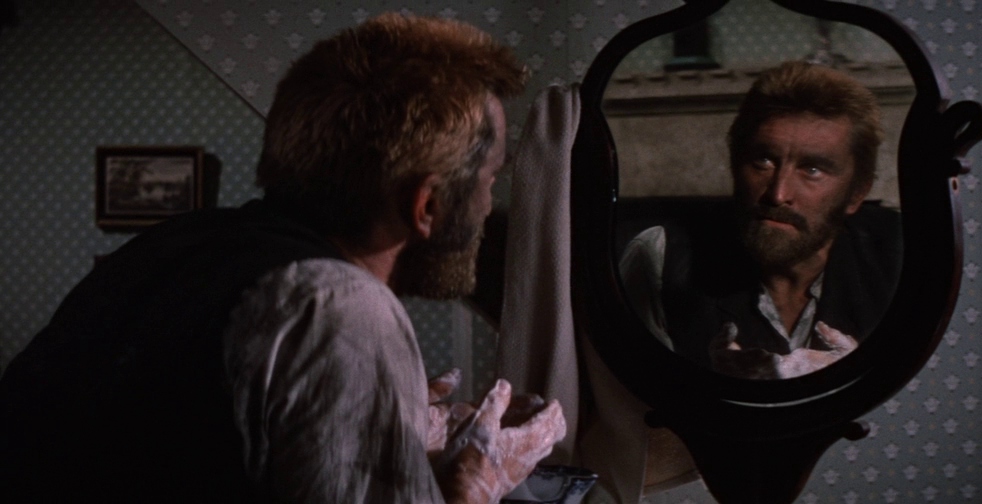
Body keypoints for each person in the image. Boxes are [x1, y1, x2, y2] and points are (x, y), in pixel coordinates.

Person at [0, 13, 564, 503]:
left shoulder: (177, 242)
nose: (489, 204)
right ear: (428, 205)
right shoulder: (342, 309)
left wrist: (400, 429)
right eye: (492, 178)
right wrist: (476, 480)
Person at [619, 61, 901, 380]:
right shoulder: (660, 256)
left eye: (812, 170)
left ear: (856, 194)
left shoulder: (902, 259)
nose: (778, 195)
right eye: (763, 161)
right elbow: (635, 396)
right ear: (735, 164)